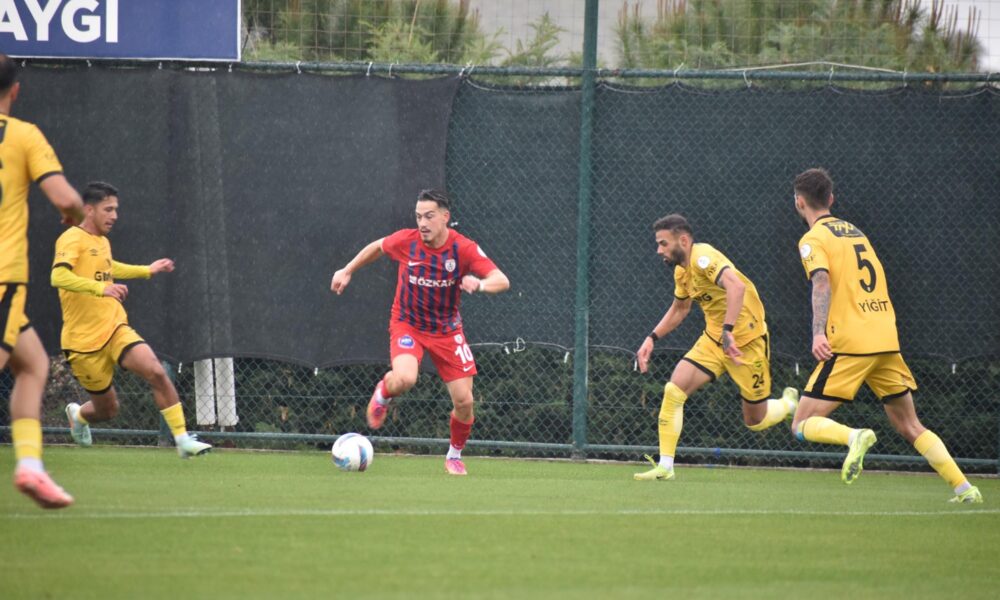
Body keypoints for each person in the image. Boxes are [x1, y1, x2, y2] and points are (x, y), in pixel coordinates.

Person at [790, 167, 981, 503]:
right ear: (831, 198)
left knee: (801, 423)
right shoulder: (856, 233)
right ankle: (965, 489)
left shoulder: (813, 239)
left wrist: (818, 333)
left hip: (850, 341)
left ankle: (855, 437)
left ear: (799, 202)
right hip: (884, 338)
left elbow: (821, 281)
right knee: (910, 425)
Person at [331, 189, 509, 475]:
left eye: (429, 216)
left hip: (447, 331)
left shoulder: (463, 248)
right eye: (418, 217)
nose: (422, 223)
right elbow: (378, 247)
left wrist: (481, 285)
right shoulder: (407, 241)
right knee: (405, 378)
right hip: (408, 324)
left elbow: (502, 280)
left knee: (464, 401)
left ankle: (454, 455)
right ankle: (384, 392)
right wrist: (347, 270)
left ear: (445, 217)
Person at [634, 214, 798, 481]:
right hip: (713, 341)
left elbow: (737, 286)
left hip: (746, 344)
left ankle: (788, 404)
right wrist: (651, 338)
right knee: (674, 390)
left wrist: (729, 330)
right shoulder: (681, 271)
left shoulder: (703, 257)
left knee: (755, 420)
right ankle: (666, 466)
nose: (658, 250)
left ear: (683, 241)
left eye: (663, 243)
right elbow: (680, 308)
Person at [54, 182, 211, 459]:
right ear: (89, 210)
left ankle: (182, 440)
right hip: (82, 343)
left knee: (156, 371)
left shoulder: (102, 241)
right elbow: (59, 276)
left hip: (114, 327)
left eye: (116, 209)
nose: (114, 215)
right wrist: (101, 288)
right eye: (108, 209)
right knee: (107, 410)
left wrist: (147, 270)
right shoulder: (72, 238)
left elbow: (109, 266)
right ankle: (78, 416)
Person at [0, 54, 85, 509]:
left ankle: (31, 466)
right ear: (15, 91)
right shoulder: (22, 135)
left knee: (33, 364)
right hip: (3, 278)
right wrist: (72, 213)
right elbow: (66, 198)